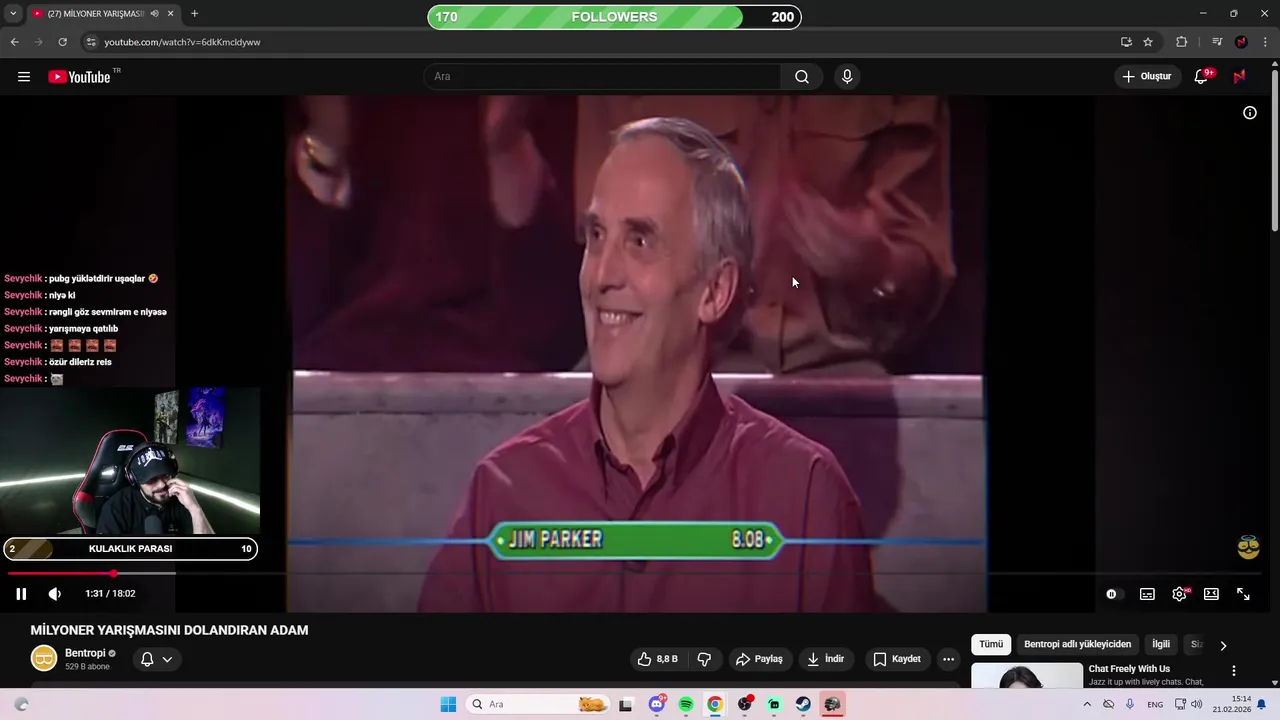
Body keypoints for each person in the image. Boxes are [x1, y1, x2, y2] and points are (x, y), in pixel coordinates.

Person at [418, 117, 876, 613]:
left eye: (639, 241)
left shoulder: (804, 501)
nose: (601, 275)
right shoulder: (503, 495)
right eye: (596, 236)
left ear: (715, 290)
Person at [289, 96, 585, 372]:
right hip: (332, 369)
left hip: (488, 372)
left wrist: (505, 147)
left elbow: (553, 331)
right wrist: (327, 139)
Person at [96, 444, 214, 535]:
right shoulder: (116, 508)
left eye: (165, 475)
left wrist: (195, 509)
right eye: (151, 479)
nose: (162, 484)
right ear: (134, 481)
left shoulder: (182, 499)